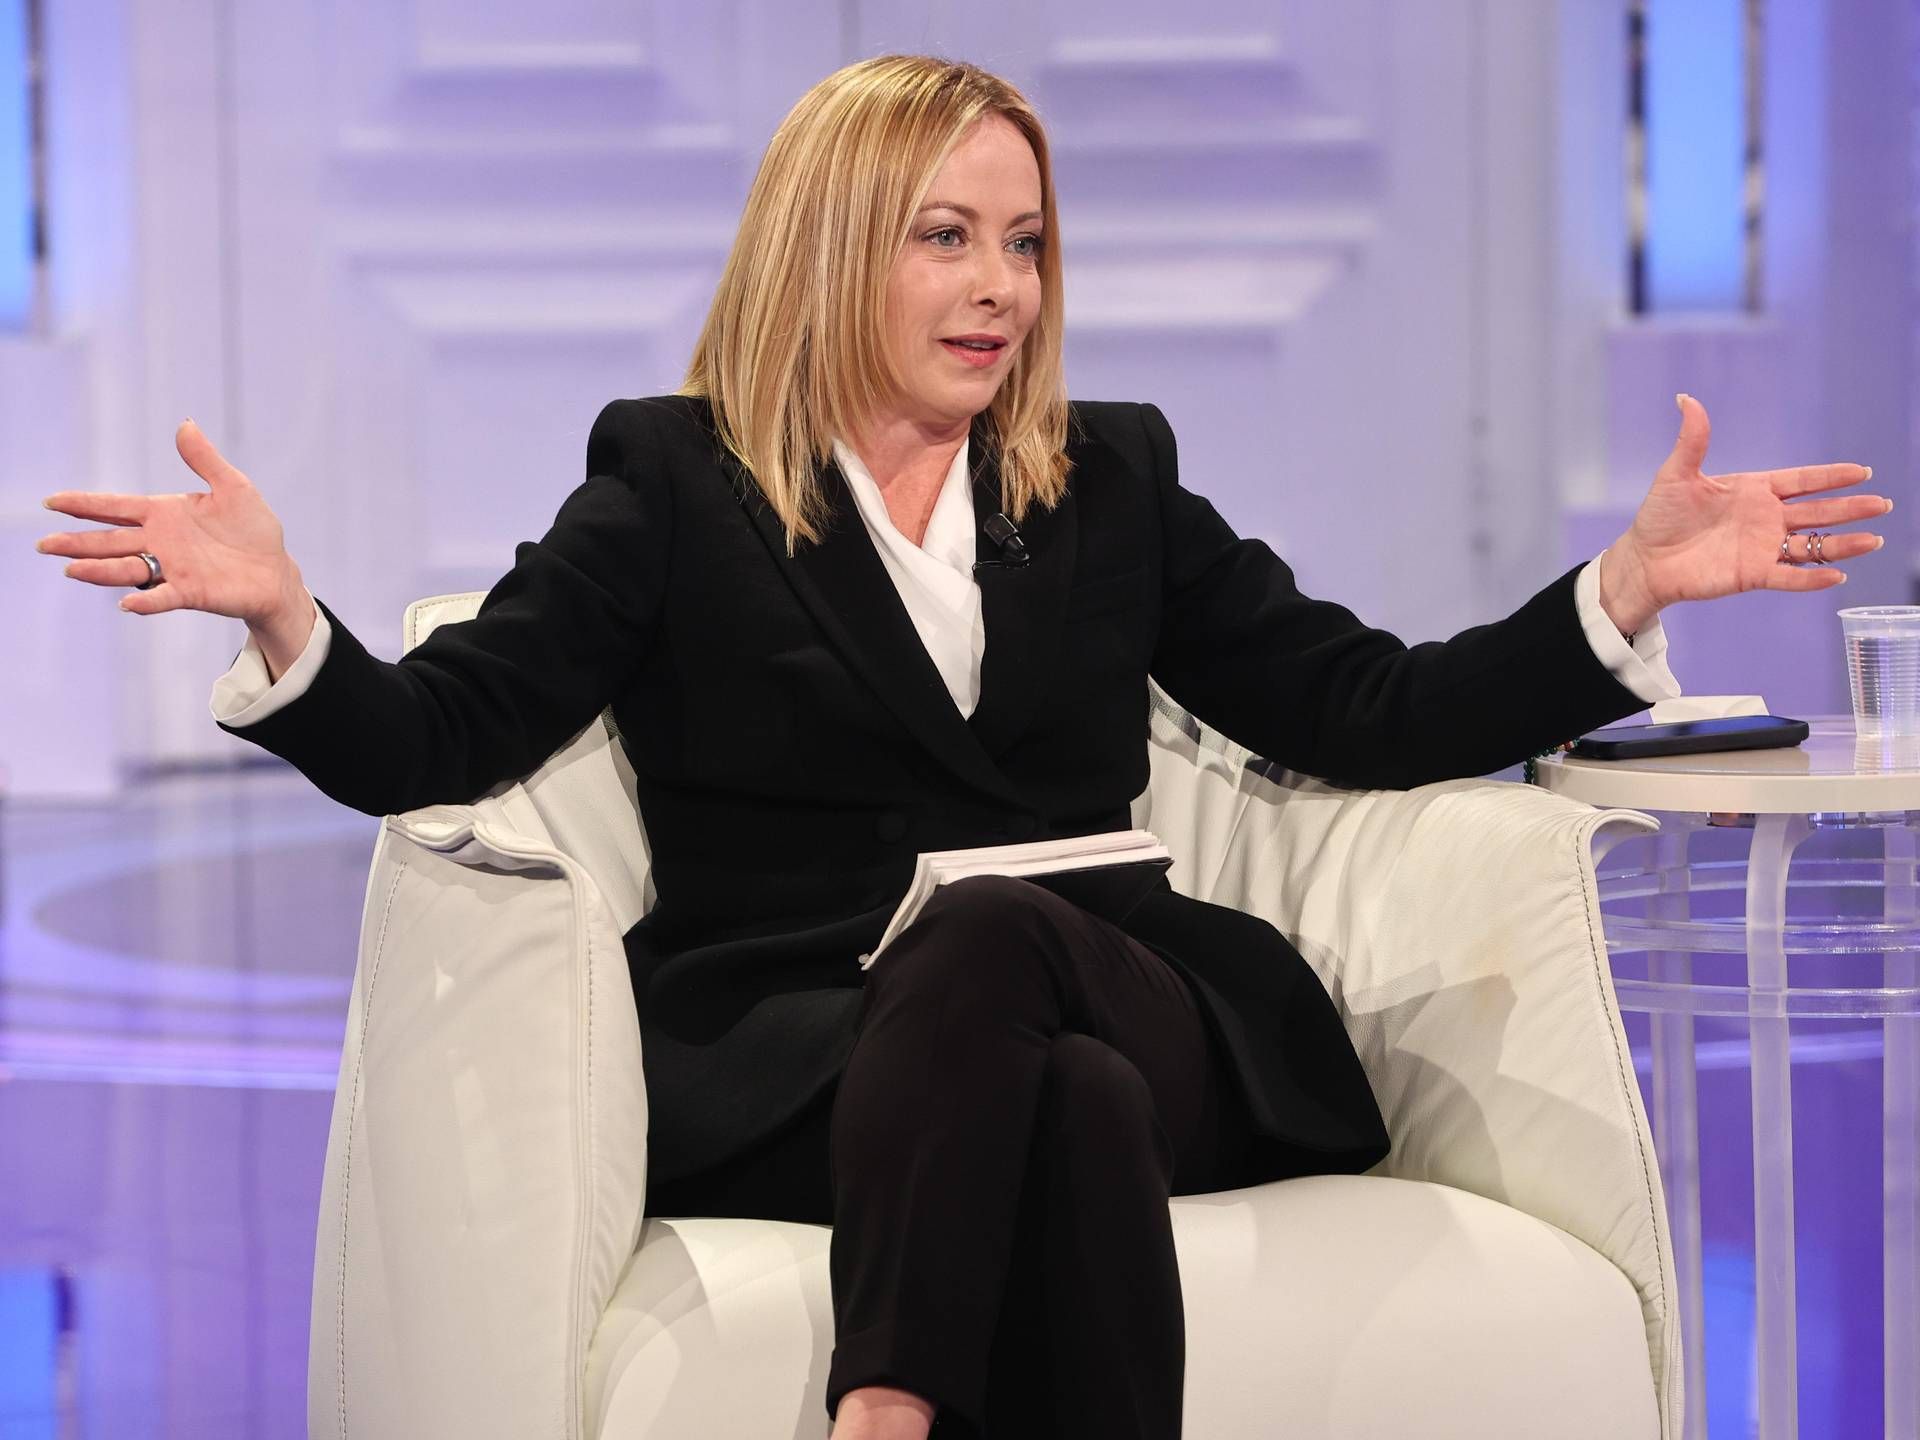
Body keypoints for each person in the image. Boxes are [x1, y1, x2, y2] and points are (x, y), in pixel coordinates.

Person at [36, 54, 1888, 1440]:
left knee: (1015, 954)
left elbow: (1366, 708)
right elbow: (443, 733)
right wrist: (287, 622)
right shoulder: (669, 485)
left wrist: (1626, 589)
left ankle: (884, 1407)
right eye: (946, 238)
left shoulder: (1115, 474)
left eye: (1024, 242)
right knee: (1061, 1104)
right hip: (809, 1055)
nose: (1001, 284)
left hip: (1140, 993)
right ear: (831, 247)